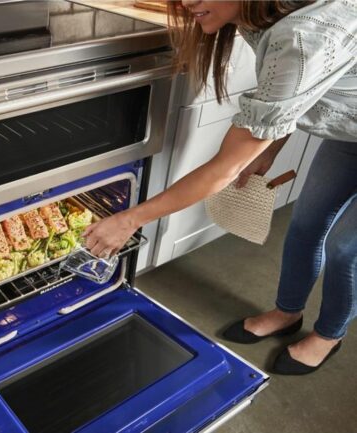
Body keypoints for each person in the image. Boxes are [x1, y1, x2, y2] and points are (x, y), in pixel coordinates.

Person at [83, 0, 357, 375]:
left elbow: (223, 169)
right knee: (306, 226)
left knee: (345, 249)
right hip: (349, 130)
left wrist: (130, 219)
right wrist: (267, 146)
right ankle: (287, 312)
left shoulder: (299, 36)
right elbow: (298, 89)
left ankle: (329, 335)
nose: (185, 2)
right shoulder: (257, 18)